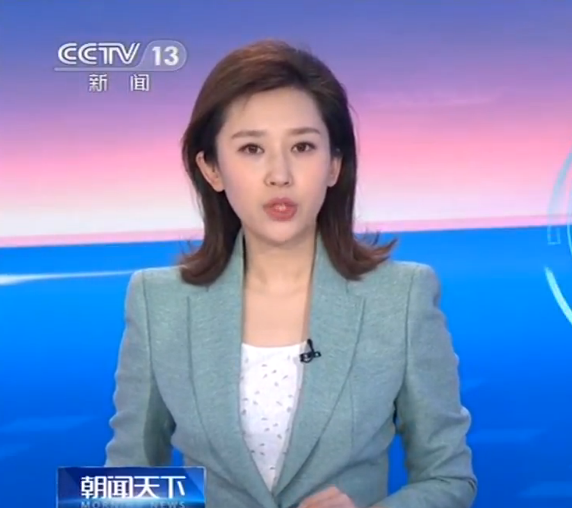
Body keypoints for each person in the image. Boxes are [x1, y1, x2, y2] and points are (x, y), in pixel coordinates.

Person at [105, 40, 476, 508]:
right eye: (252, 148)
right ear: (212, 168)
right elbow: (125, 483)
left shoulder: (401, 297)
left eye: (302, 147)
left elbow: (449, 479)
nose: (279, 174)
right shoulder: (156, 301)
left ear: (334, 164)